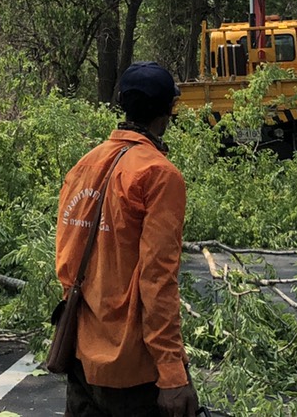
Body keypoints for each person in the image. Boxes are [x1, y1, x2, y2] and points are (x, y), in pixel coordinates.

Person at [54, 62, 199, 417]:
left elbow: (66, 260)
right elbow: (157, 280)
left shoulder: (85, 165)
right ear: (169, 111)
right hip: (131, 368)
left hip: (81, 356)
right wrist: (171, 372)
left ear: (122, 104)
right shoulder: (159, 175)